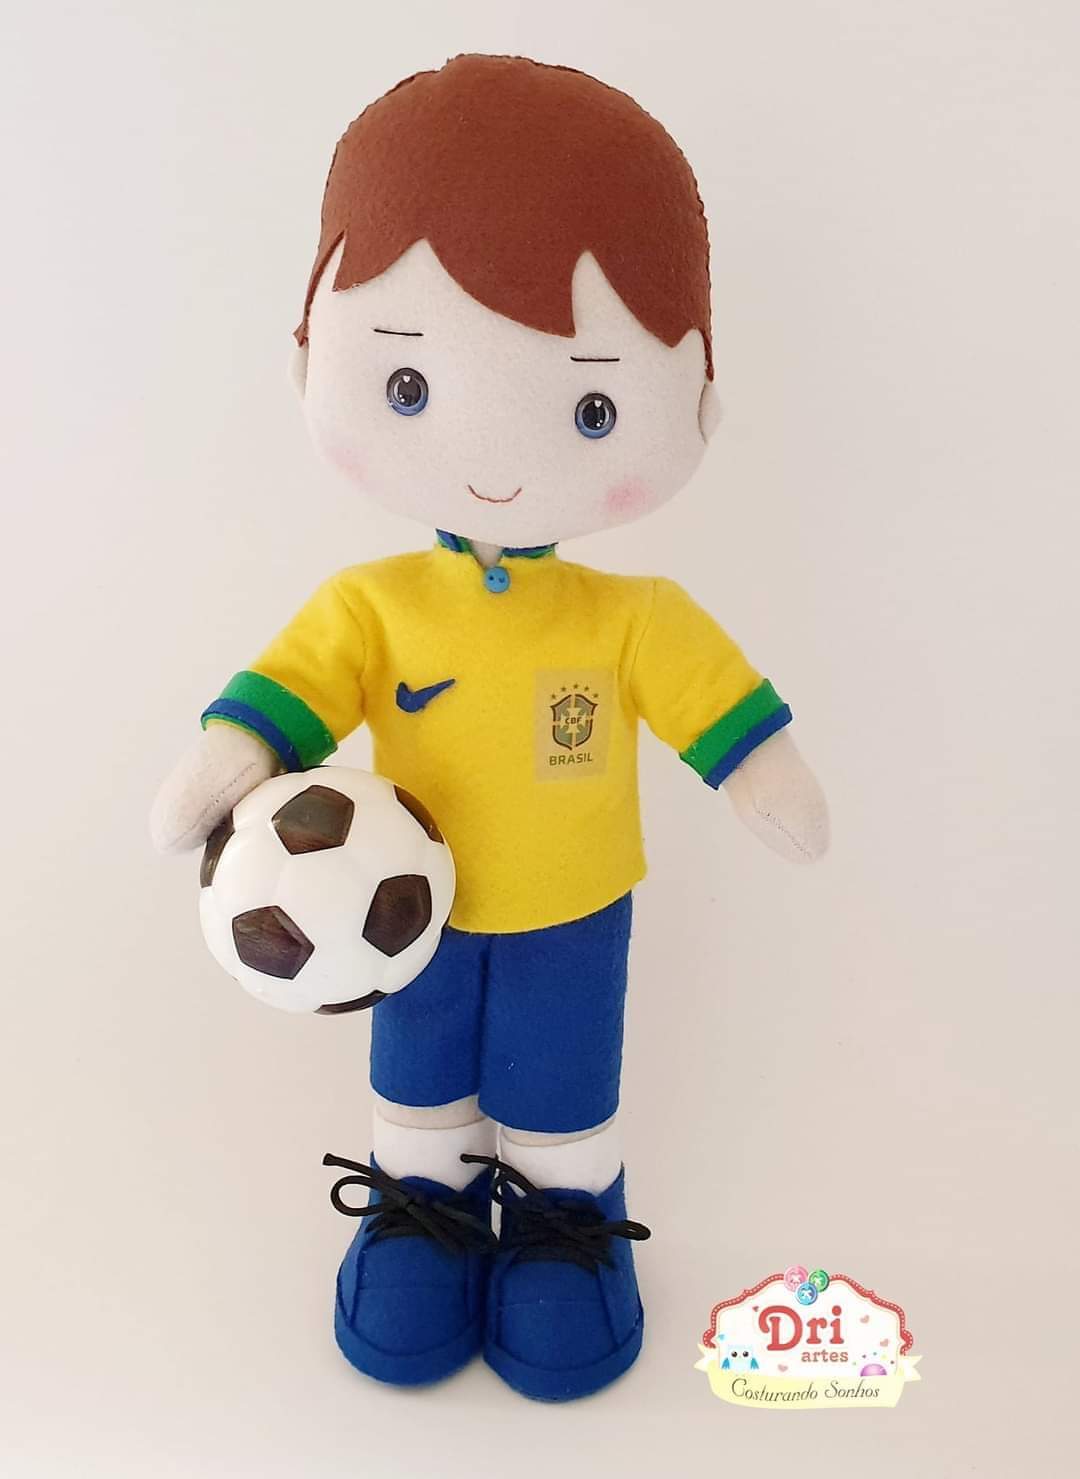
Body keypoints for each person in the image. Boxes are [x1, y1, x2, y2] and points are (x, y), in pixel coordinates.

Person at [151, 53, 829, 1402]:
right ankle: (424, 1211)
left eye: (592, 406)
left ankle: (566, 1225)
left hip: (577, 906)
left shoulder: (631, 617)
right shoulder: (371, 606)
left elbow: (723, 718)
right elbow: (286, 697)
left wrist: (766, 775)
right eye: (408, 387)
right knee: (418, 1075)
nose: (500, 457)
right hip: (406, 911)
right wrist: (219, 770)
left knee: (563, 1081)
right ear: (318, 355)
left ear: (692, 399)